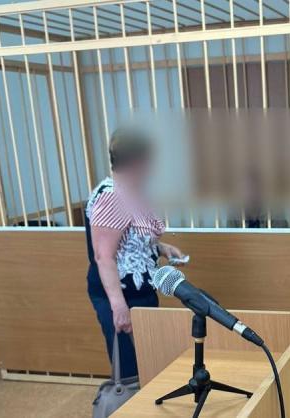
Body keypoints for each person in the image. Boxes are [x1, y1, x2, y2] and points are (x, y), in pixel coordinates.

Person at [85, 128, 186, 378]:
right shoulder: (112, 197)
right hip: (124, 298)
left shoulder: (131, 192)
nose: (152, 168)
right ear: (137, 162)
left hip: (141, 295)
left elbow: (128, 241)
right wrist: (119, 307)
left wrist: (162, 248)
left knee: (149, 365)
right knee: (132, 372)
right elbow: (103, 256)